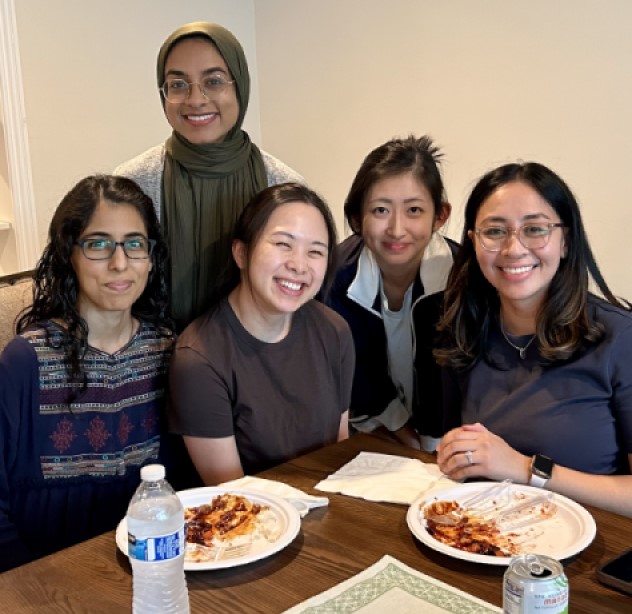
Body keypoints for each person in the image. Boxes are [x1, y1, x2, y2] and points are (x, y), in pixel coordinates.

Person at [434, 162, 632, 517]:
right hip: (485, 535)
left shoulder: (620, 338)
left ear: (566, 241)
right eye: (494, 231)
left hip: (590, 552)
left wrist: (525, 469)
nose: (513, 248)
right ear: (473, 243)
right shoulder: (462, 330)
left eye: (535, 229)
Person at [0, 175, 174, 572]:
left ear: (151, 257)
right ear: (69, 254)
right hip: (44, 575)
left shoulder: (170, 349)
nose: (119, 263)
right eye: (98, 244)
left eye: (134, 244)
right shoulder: (24, 362)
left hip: (155, 566)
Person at [115, 21, 304, 330]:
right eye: (177, 84)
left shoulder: (284, 187)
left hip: (257, 359)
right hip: (151, 363)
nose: (195, 99)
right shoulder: (131, 185)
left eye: (214, 81)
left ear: (240, 85)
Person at [168, 183, 354, 484]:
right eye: (283, 244)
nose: (298, 265)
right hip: (252, 521)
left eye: (315, 251)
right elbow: (231, 495)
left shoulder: (334, 331)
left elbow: (340, 451)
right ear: (241, 253)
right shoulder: (199, 359)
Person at [325, 135, 457, 452]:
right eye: (381, 210)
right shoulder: (335, 279)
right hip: (369, 428)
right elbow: (354, 376)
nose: (397, 229)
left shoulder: (465, 280)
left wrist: (430, 448)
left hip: (452, 439)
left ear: (440, 216)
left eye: (414, 210)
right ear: (357, 218)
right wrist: (404, 435)